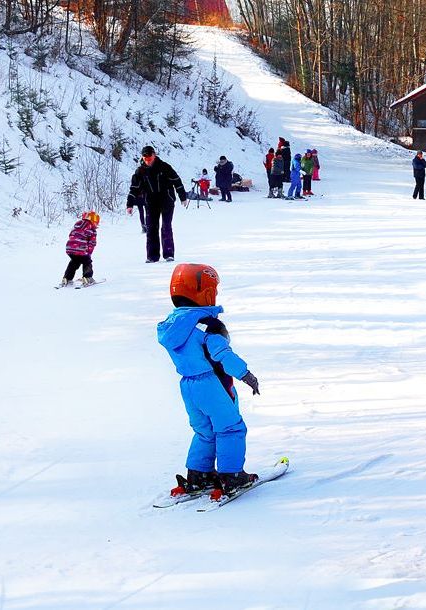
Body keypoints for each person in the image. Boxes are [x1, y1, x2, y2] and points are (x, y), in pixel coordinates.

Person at [158, 263, 264, 502]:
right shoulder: (207, 326)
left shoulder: (172, 325)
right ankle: (232, 475)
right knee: (231, 428)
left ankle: (199, 475)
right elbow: (222, 355)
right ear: (206, 294)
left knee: (204, 431)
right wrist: (246, 374)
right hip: (211, 384)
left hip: (187, 385)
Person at [127, 145, 187, 263]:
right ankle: (152, 256)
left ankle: (169, 254)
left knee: (166, 226)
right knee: (151, 228)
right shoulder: (140, 172)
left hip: (167, 200)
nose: (147, 161)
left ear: (154, 155)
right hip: (150, 202)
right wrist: (129, 204)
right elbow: (134, 188)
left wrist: (182, 196)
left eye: (149, 158)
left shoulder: (164, 167)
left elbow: (177, 181)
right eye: (145, 159)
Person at [59, 211, 99, 288]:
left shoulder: (77, 224)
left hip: (70, 248)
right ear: (93, 220)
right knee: (87, 262)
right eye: (96, 222)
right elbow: (92, 243)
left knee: (74, 262)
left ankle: (66, 278)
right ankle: (87, 278)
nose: (97, 225)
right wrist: (89, 253)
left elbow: (71, 234)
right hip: (81, 249)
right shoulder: (92, 229)